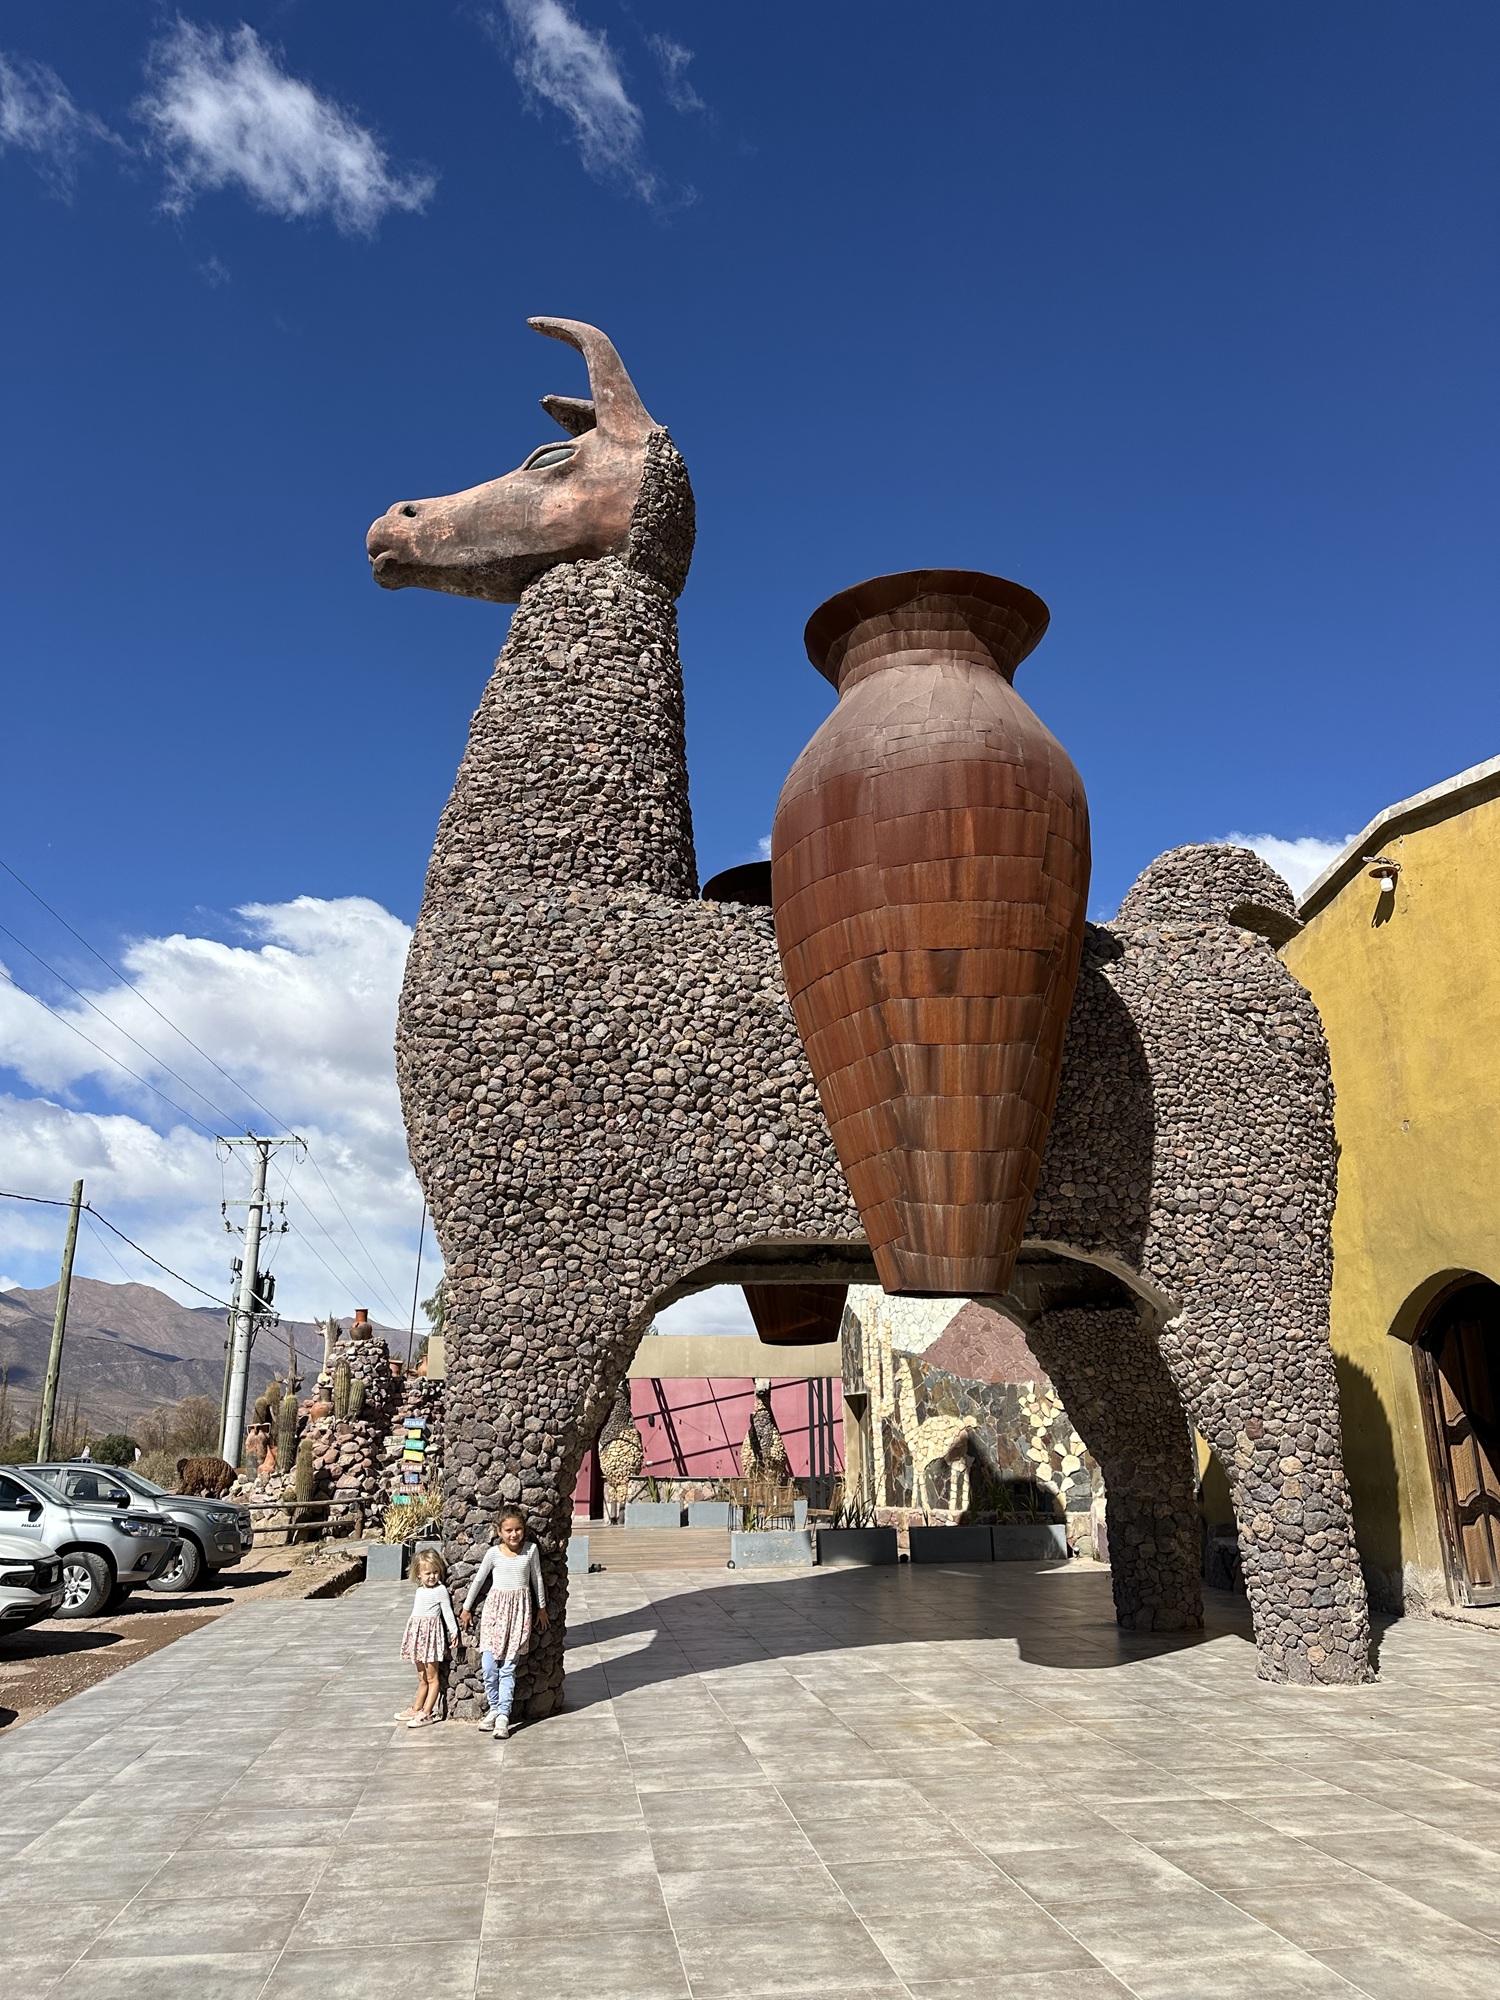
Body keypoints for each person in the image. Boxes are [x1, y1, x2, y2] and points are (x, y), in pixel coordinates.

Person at [459, 1506, 548, 1738]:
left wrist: (542, 1607)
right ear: (499, 1531)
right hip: (494, 1614)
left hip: (519, 1615)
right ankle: (495, 1707)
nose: (514, 1534)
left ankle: (503, 1717)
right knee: (489, 1666)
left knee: (508, 1667)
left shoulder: (531, 1550)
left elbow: (537, 1578)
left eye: (518, 1529)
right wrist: (467, 1608)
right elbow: (479, 1580)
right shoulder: (493, 1554)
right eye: (508, 1530)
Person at [397, 1548, 457, 1727]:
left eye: (435, 1572)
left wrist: (454, 1631)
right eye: (427, 1573)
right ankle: (417, 1707)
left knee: (432, 1678)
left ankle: (427, 1712)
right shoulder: (420, 1591)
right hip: (418, 1637)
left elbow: (447, 1612)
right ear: (419, 1574)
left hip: (430, 1638)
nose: (432, 1576)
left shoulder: (440, 1590)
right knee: (421, 1677)